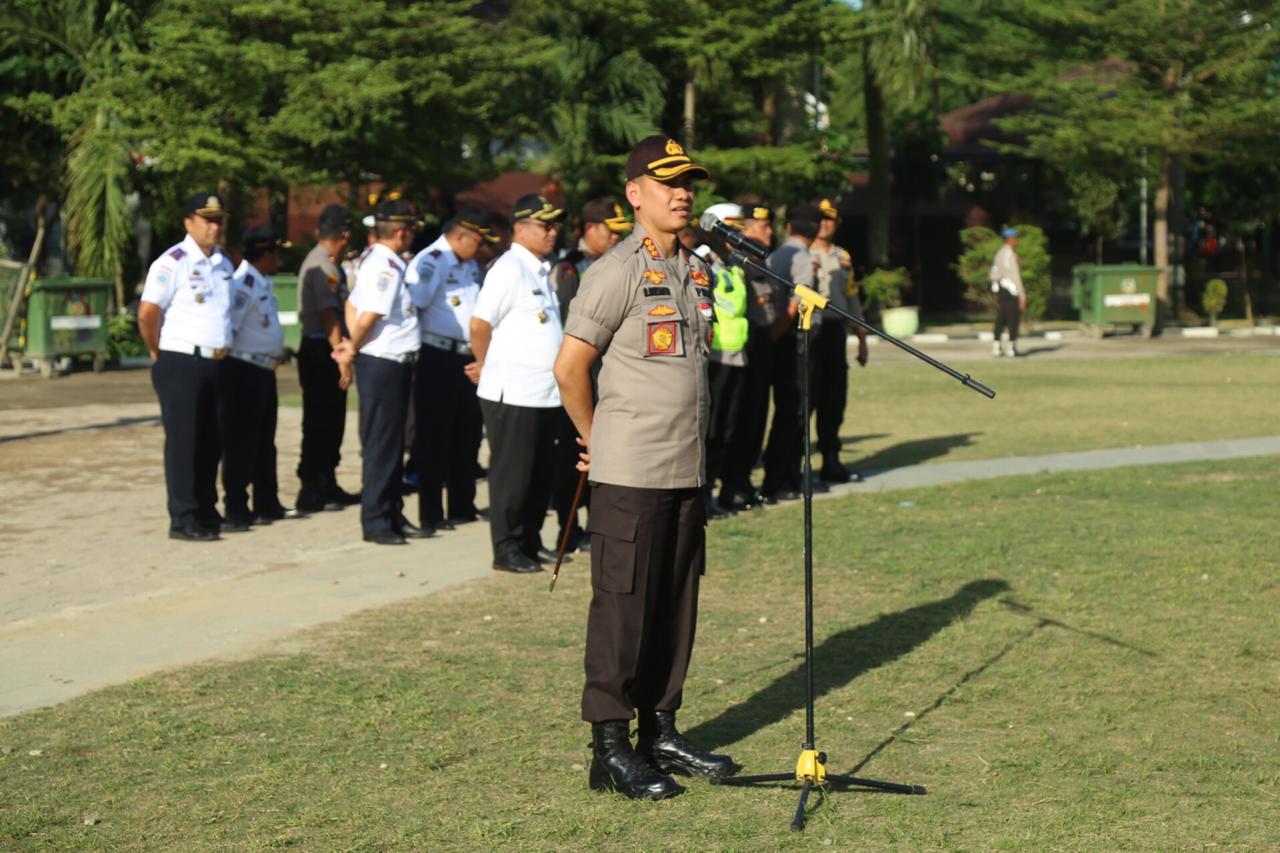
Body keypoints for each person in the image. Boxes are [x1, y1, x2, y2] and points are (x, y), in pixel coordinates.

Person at [554, 135, 739, 801]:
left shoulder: (694, 267)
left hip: (685, 468)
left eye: (689, 181)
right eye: (668, 182)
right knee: (623, 610)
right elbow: (569, 367)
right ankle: (609, 747)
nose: (684, 192)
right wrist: (595, 438)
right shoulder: (615, 271)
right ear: (635, 194)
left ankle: (661, 728)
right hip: (630, 471)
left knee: (674, 604)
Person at [470, 194, 566, 574]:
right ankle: (506, 547)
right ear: (520, 228)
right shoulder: (509, 268)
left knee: (540, 473)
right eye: (546, 225)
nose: (553, 232)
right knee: (513, 473)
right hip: (514, 392)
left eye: (555, 225)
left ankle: (529, 538)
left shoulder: (539, 269)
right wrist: (485, 365)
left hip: (544, 393)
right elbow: (480, 325)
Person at [138, 192, 236, 541]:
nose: (214, 226)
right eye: (207, 220)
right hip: (181, 360)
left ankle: (206, 509)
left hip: (217, 361)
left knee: (212, 440)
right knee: (185, 442)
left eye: (218, 220)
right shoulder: (172, 262)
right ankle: (183, 517)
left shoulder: (223, 262)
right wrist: (157, 351)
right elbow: (148, 314)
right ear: (188, 222)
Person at [333, 198, 429, 545]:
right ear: (402, 232)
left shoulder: (375, 258)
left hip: (386, 361)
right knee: (383, 445)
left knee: (387, 443)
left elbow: (351, 304)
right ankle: (376, 521)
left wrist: (353, 344)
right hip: (385, 363)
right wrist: (354, 345)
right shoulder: (386, 265)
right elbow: (370, 313)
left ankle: (391, 512)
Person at [547, 197, 633, 553]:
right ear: (590, 230)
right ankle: (569, 527)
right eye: (609, 232)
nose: (615, 238)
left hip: (613, 376)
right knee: (575, 455)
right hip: (584, 372)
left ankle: (602, 525)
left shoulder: (622, 266)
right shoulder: (570, 268)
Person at [405, 208, 496, 533]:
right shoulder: (431, 260)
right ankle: (431, 513)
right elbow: (415, 305)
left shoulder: (469, 263)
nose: (482, 247)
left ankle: (461, 505)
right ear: (462, 236)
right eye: (478, 241)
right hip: (437, 356)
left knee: (467, 434)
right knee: (434, 436)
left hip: (467, 358)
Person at [217, 224, 297, 530]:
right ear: (264, 253)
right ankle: (236, 506)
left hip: (264, 370)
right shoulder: (243, 285)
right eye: (275, 252)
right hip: (243, 371)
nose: (278, 259)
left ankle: (267, 501)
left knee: (265, 441)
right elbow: (230, 330)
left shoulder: (262, 282)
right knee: (240, 442)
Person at [295, 204, 360, 512]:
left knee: (331, 419)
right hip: (323, 348)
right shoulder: (323, 266)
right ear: (345, 235)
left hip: (324, 346)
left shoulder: (327, 262)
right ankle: (311, 486)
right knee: (320, 419)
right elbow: (328, 315)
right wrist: (342, 359)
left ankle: (326, 481)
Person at [760, 203, 824, 503]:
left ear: (789, 227)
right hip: (795, 340)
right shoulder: (800, 256)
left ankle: (784, 474)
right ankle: (782, 477)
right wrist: (777, 337)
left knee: (790, 409)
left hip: (785, 338)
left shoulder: (777, 254)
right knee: (795, 410)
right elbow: (795, 304)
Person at [719, 203, 781, 511]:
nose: (767, 231)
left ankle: (741, 481)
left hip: (758, 343)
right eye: (760, 227)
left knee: (755, 417)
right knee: (733, 422)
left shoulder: (758, 259)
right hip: (736, 347)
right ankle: (731, 485)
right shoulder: (728, 261)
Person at [809, 197, 868, 484]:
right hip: (808, 330)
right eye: (820, 219)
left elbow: (852, 297)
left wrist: (861, 337)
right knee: (806, 398)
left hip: (835, 331)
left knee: (834, 398)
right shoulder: (801, 252)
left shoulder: (843, 257)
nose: (824, 224)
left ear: (837, 223)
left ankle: (831, 459)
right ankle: (790, 466)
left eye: (829, 219)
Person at [699, 202, 749, 520]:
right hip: (713, 356)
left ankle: (717, 494)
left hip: (736, 355)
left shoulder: (733, 262)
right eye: (729, 229)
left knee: (728, 431)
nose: (736, 236)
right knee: (710, 432)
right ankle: (702, 498)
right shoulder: (700, 259)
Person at [990, 227, 1026, 357]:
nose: (1016, 240)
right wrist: (1022, 295)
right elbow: (1016, 276)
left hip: (1001, 291)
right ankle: (1011, 347)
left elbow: (993, 274)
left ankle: (996, 346)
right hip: (1011, 291)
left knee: (1001, 318)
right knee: (1013, 319)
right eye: (1015, 238)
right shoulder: (1010, 255)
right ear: (1010, 239)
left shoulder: (999, 253)